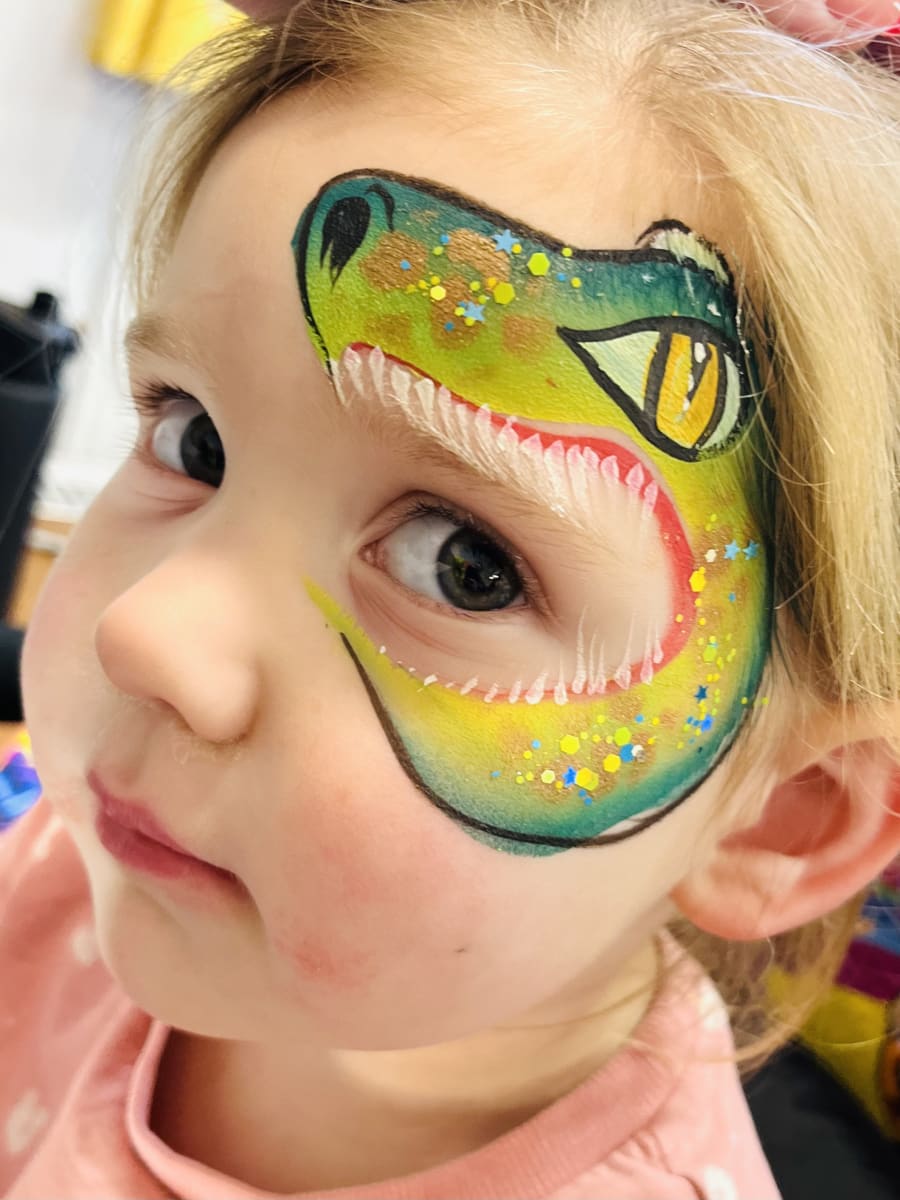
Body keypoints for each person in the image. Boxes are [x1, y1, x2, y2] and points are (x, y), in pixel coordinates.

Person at [1, 0, 898, 1196]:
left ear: (780, 814)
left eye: (463, 563)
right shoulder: (92, 857)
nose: (147, 632)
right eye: (194, 437)